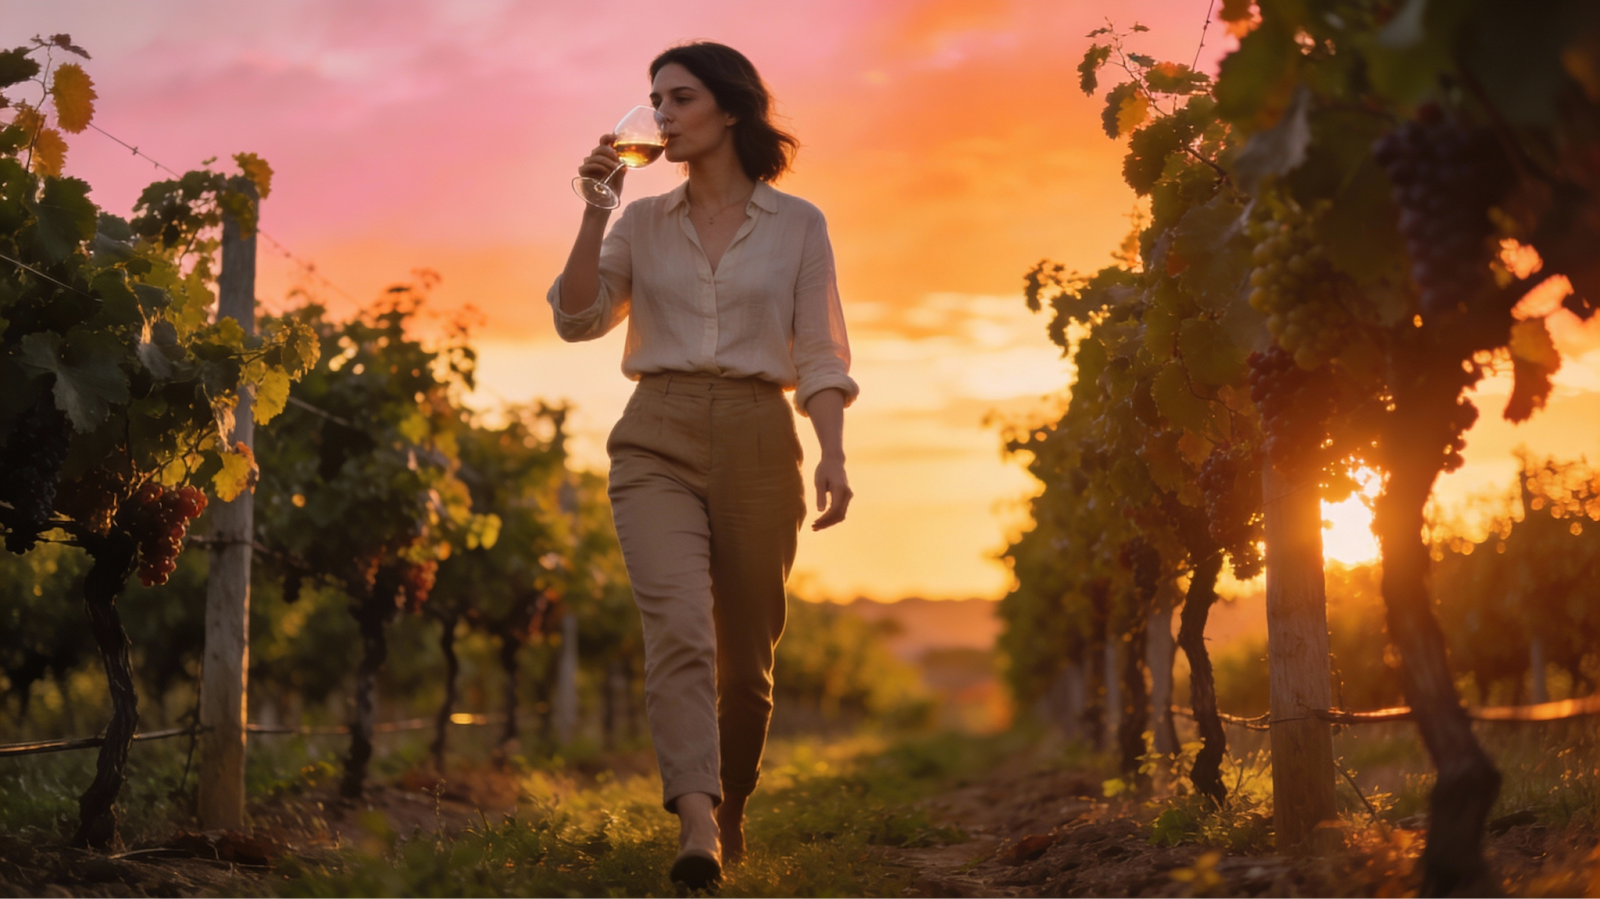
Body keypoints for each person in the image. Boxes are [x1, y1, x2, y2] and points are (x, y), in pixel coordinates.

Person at [547, 41, 858, 891]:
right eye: (655, 101)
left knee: (746, 658)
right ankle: (695, 822)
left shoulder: (799, 224)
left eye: (679, 99)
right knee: (679, 629)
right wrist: (594, 208)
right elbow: (577, 320)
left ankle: (732, 802)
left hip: (763, 435)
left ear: (730, 110)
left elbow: (823, 353)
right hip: (657, 435)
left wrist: (831, 451)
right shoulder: (641, 224)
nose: (661, 116)